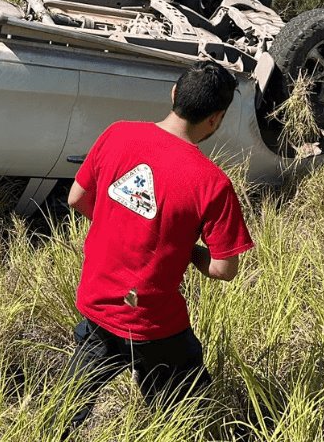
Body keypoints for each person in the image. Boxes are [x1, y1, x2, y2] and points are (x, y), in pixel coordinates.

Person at [61, 60, 254, 436]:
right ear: (215, 119)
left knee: (64, 411)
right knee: (190, 420)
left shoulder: (117, 134)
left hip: (98, 305)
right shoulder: (212, 184)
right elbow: (223, 269)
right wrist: (189, 251)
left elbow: (77, 199)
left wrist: (122, 222)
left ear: (173, 95)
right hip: (153, 325)